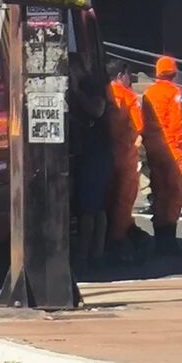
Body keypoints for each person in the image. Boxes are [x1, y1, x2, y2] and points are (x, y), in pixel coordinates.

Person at [142, 55, 182, 255]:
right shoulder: (174, 93)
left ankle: (160, 237)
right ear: (174, 72)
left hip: (153, 148)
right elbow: (177, 125)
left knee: (159, 192)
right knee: (175, 195)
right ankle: (169, 241)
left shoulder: (148, 93)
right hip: (171, 149)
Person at [68, 55, 112, 273]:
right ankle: (95, 252)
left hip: (97, 152)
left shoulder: (92, 85)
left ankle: (88, 254)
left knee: (90, 207)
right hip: (86, 151)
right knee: (92, 206)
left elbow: (98, 110)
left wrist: (76, 91)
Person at [104, 59, 149, 262]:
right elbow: (140, 128)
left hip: (104, 154)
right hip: (125, 155)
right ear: (122, 75)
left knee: (106, 198)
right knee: (124, 200)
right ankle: (118, 242)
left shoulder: (103, 93)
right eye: (128, 75)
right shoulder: (129, 97)